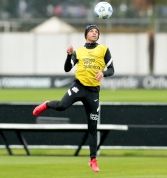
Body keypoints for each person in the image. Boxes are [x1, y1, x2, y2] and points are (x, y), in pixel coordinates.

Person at [32, 24, 115, 173]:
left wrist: (103, 73)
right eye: (91, 31)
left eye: (96, 32)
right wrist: (69, 56)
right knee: (62, 106)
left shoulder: (104, 49)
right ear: (86, 35)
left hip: (93, 92)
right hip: (79, 87)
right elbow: (67, 69)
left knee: (92, 127)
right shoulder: (79, 51)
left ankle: (93, 160)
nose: (94, 33)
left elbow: (112, 69)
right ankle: (47, 104)